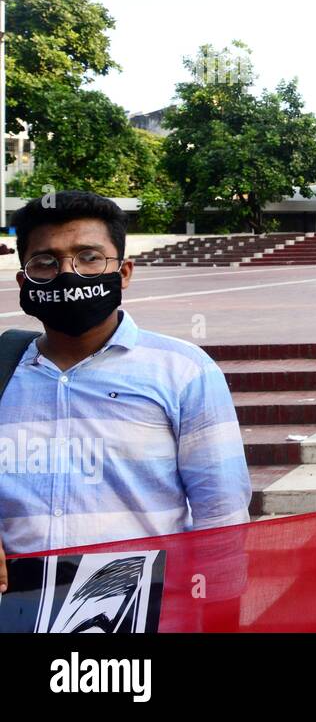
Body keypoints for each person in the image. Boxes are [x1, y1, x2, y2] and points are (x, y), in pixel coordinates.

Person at [0, 191, 252, 594]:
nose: (69, 274)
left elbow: (220, 510)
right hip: (19, 610)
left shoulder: (183, 370)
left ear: (124, 272)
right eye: (45, 262)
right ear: (23, 280)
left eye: (89, 258)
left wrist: (220, 605)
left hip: (148, 609)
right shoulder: (3, 369)